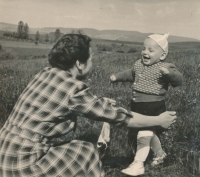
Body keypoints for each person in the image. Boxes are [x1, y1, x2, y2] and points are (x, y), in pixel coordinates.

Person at [0, 33, 177, 177]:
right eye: (90, 58)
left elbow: (59, 105)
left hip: (4, 156)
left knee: (71, 149)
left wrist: (98, 104)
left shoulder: (44, 74)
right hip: (21, 168)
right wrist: (158, 120)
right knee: (86, 150)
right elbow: (121, 117)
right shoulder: (73, 88)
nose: (92, 62)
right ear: (79, 64)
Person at [109, 33, 183, 176]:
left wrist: (168, 74)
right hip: (137, 105)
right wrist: (117, 77)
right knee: (149, 132)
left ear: (162, 55)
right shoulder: (138, 64)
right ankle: (160, 154)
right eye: (144, 48)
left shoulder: (166, 66)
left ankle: (138, 163)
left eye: (150, 50)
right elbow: (130, 74)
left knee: (144, 133)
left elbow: (178, 80)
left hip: (153, 105)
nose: (145, 52)